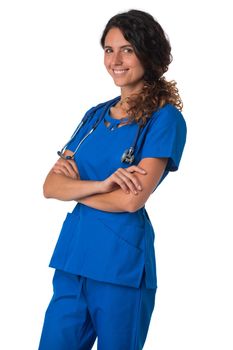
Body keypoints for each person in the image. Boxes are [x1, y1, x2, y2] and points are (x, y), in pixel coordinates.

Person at [38, 9, 187, 350]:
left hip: (121, 266)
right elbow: (50, 186)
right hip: (73, 258)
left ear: (147, 54)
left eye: (127, 49)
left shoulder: (165, 119)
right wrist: (103, 185)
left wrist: (75, 191)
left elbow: (131, 199)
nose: (115, 60)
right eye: (108, 49)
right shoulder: (95, 116)